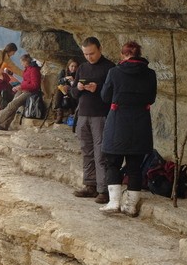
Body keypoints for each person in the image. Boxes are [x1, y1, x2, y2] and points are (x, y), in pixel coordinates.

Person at [99, 41, 157, 216]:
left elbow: (105, 96)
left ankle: (114, 202)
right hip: (140, 123)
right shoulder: (150, 74)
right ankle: (130, 206)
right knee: (135, 166)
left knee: (112, 163)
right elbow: (151, 98)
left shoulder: (115, 72)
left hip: (118, 122)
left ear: (124, 55)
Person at [70, 37, 116, 203]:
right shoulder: (82, 68)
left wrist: (98, 89)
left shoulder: (110, 68)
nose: (89, 57)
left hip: (100, 115)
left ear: (100, 49)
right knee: (86, 150)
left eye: (92, 53)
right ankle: (90, 185)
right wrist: (79, 88)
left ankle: (103, 190)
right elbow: (73, 93)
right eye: (86, 54)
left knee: (101, 152)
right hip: (83, 114)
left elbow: (113, 94)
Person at [0, 53, 41, 131]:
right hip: (22, 89)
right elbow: (26, 81)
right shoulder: (28, 69)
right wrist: (19, 87)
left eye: (22, 62)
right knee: (13, 106)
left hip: (30, 92)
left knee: (12, 105)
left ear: (26, 61)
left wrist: (21, 86)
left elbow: (35, 85)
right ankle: (4, 125)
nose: (21, 64)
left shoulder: (34, 70)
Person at [55, 58, 78, 124]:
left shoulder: (78, 73)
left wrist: (71, 85)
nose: (73, 68)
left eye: (75, 66)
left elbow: (77, 86)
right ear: (68, 66)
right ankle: (59, 113)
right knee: (58, 90)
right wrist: (65, 78)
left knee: (73, 93)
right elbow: (59, 81)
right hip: (63, 91)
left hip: (72, 91)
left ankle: (72, 113)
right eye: (72, 66)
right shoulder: (64, 72)